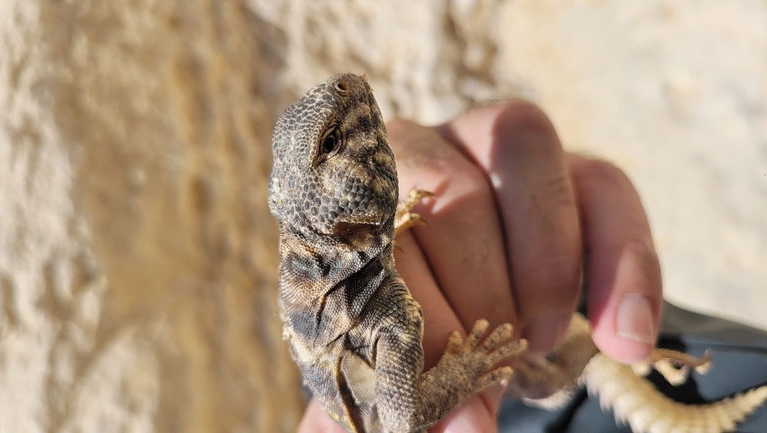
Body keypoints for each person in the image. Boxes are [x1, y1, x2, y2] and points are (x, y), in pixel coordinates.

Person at [298, 101, 767, 433]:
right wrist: (470, 369)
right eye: (332, 142)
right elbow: (400, 416)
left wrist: (554, 283)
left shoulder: (335, 312)